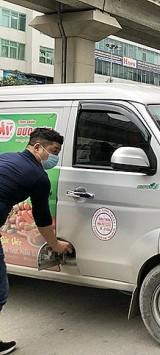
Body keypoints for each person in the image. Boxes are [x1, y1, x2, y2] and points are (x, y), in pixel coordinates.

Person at [0, 128, 73, 354]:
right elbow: (42, 220)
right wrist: (56, 245)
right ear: (37, 147)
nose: (55, 157)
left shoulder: (7, 157)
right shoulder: (38, 177)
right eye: (53, 151)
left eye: (59, 152)